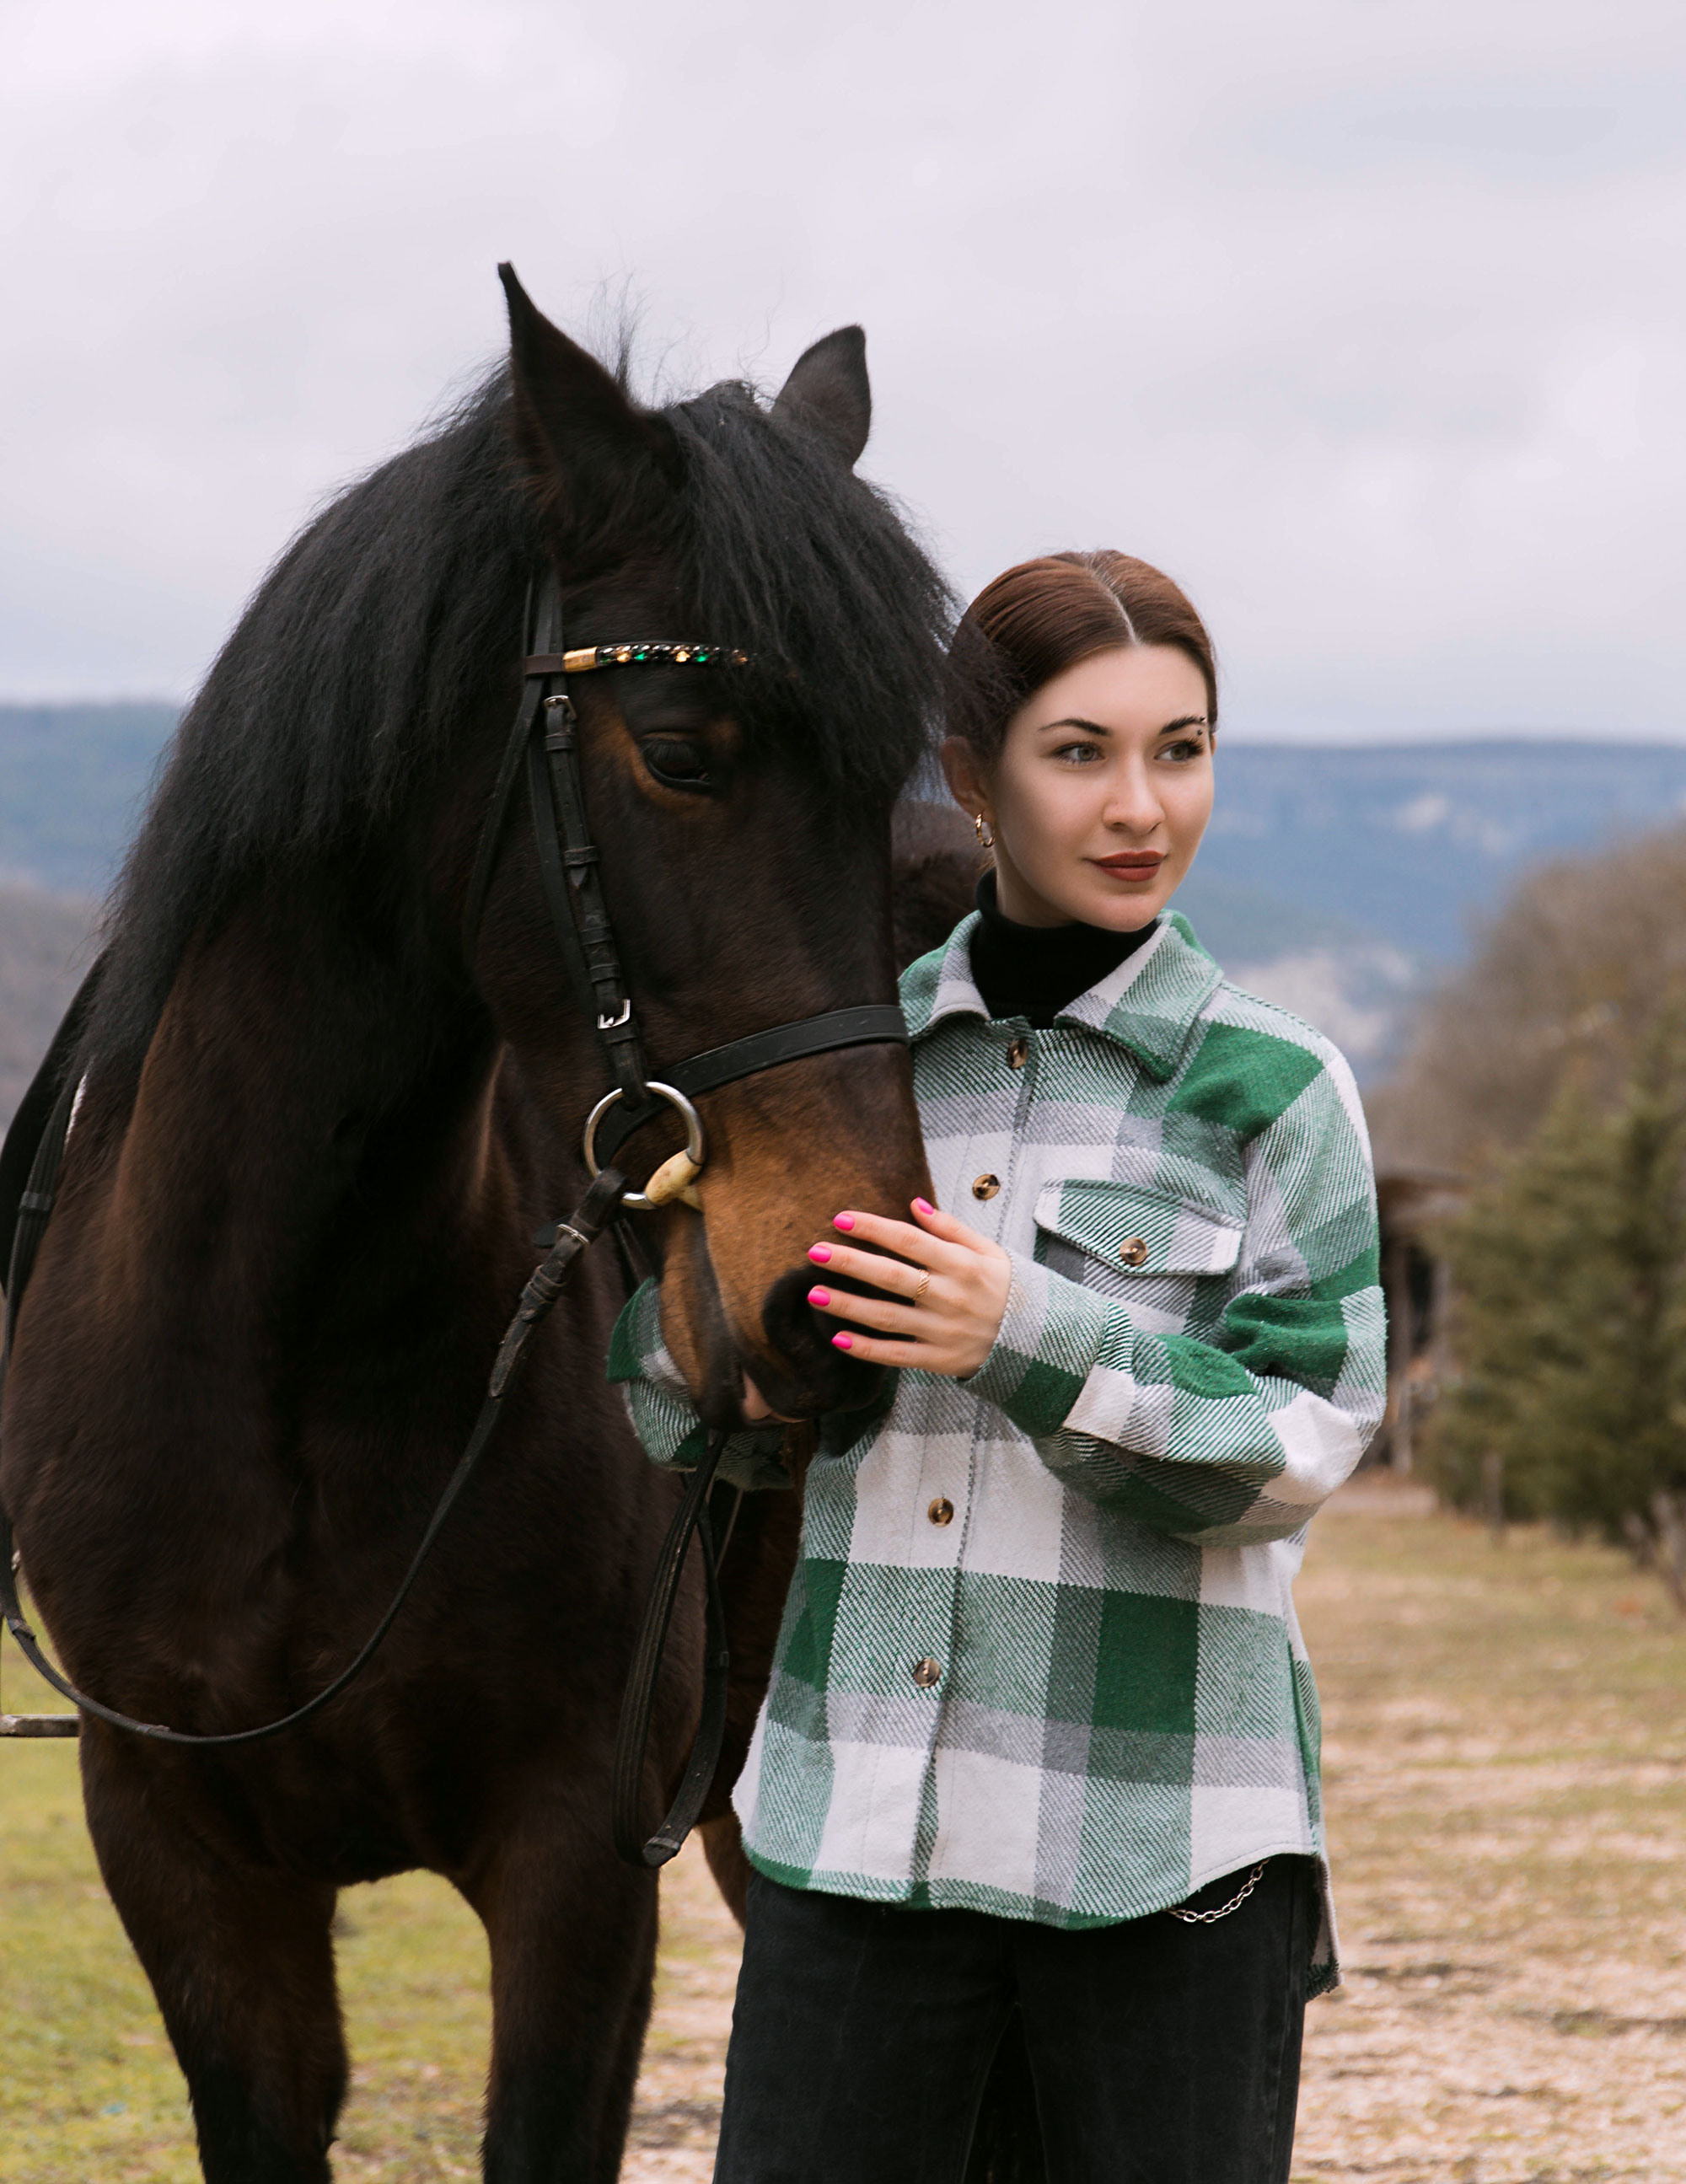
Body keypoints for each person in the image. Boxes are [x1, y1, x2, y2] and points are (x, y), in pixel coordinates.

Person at [609, 550, 1386, 2182]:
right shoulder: (843, 1071)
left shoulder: (1273, 1086)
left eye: (1181, 749)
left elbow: (1299, 1447)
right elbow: (687, 1415)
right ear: (969, 780)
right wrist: (701, 1337)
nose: (1140, 806)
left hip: (1166, 1868)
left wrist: (1022, 1336)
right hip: (848, 1856)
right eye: (1078, 752)